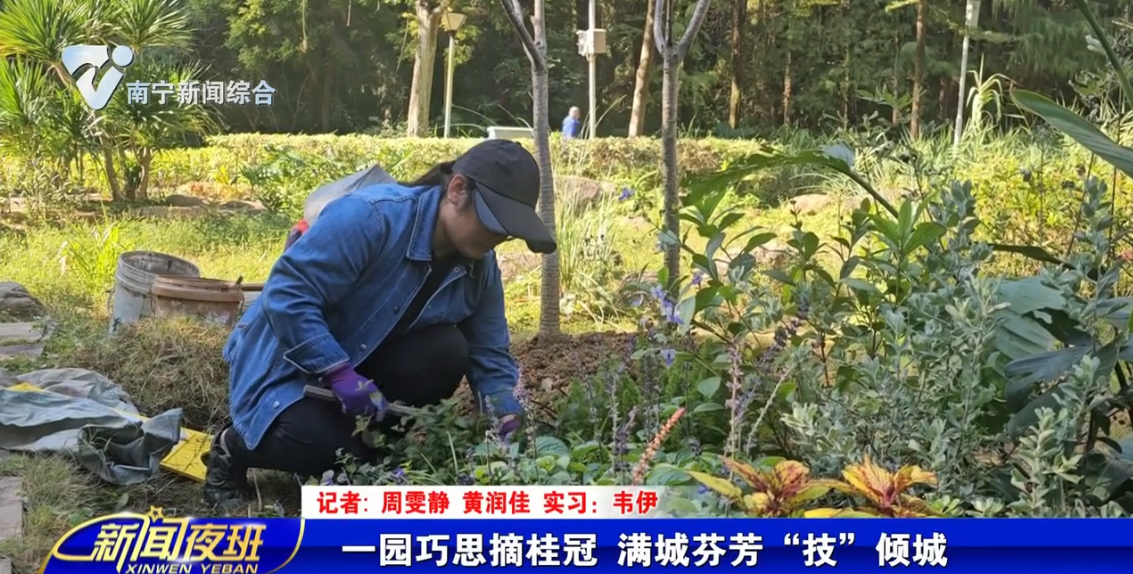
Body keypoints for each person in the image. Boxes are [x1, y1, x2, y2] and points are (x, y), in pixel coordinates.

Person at [202, 139, 556, 508]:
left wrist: (509, 416)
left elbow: (490, 355)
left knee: (448, 351)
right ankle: (232, 449)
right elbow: (286, 296)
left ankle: (364, 450)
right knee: (317, 444)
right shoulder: (372, 218)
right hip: (283, 364)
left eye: (507, 231)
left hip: (364, 364)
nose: (497, 238)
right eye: (492, 222)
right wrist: (336, 371)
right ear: (457, 189)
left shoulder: (480, 269)